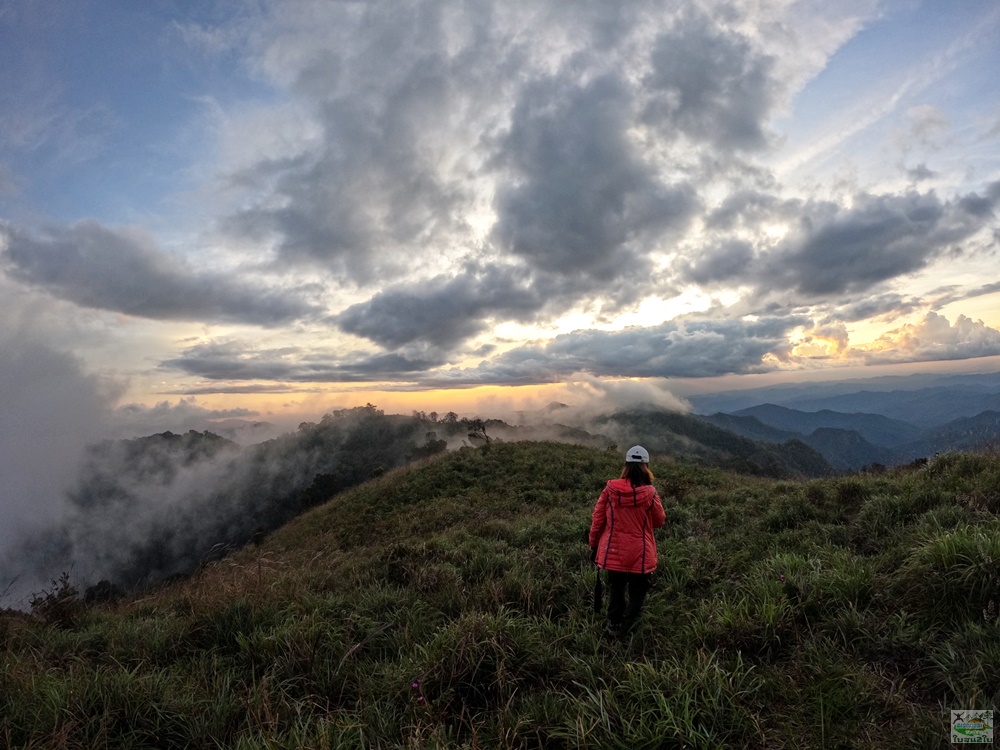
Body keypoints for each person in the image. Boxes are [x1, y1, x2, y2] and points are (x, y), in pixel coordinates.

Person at [588, 445, 666, 636]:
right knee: (638, 590)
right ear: (646, 466)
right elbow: (659, 521)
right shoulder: (650, 493)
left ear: (626, 466)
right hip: (640, 551)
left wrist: (594, 544)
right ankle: (628, 623)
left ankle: (613, 625)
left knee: (616, 587)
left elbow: (597, 520)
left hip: (613, 550)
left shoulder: (609, 490)